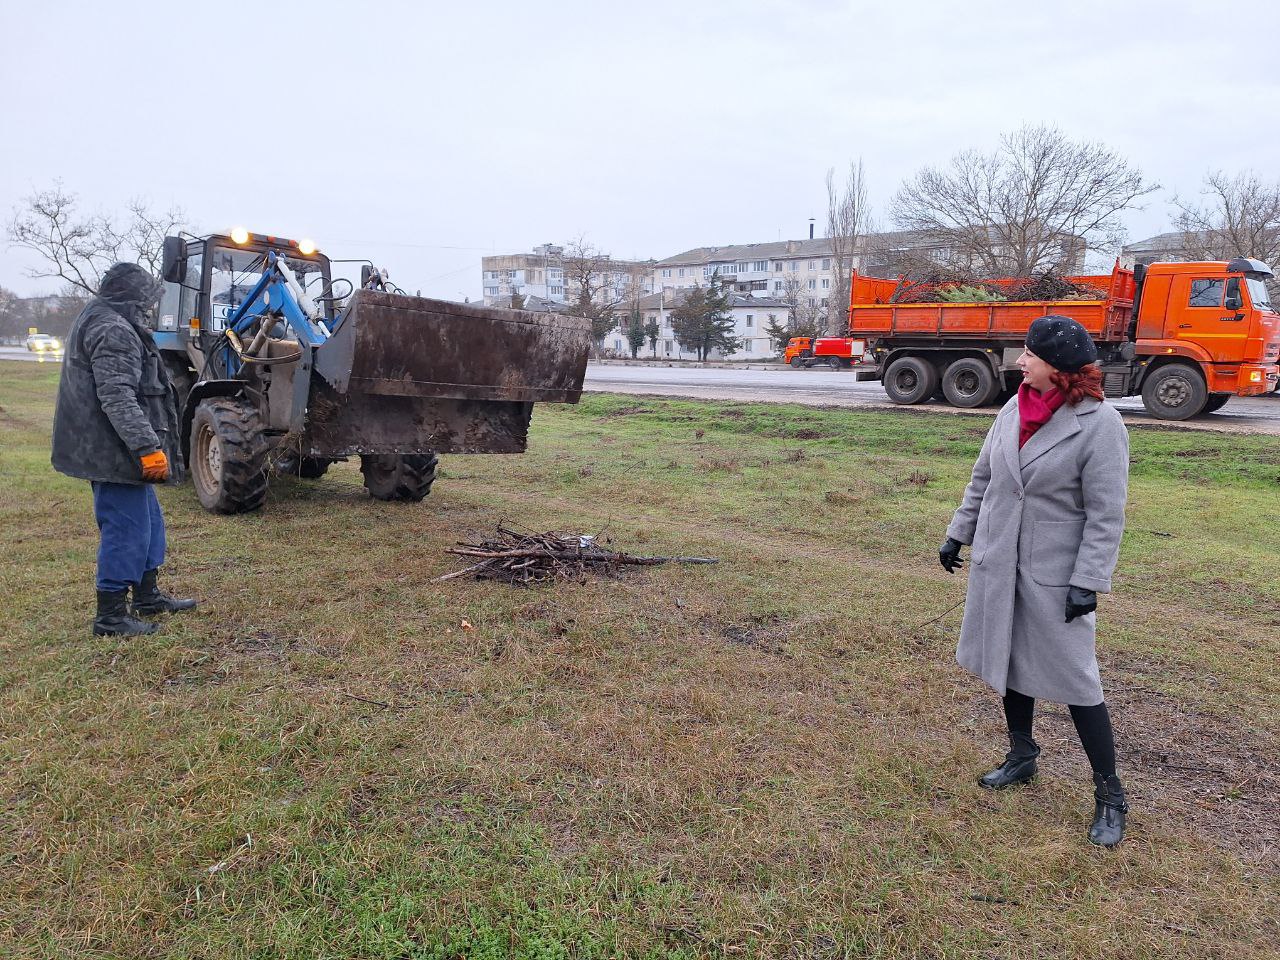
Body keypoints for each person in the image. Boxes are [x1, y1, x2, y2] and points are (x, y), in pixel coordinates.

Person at [938, 315, 1130, 847]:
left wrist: (1088, 579)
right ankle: (1022, 755)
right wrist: (959, 533)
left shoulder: (1100, 423)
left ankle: (1110, 794)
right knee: (1009, 657)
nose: (1020, 362)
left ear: (1059, 366)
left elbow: (1106, 513)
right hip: (1000, 559)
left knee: (1077, 680)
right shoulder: (1012, 406)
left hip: (1055, 572)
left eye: (1029, 354)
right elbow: (985, 477)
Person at [51, 262, 197, 637]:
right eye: (145, 299)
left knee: (149, 523)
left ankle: (147, 596)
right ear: (130, 296)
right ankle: (111, 617)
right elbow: (117, 397)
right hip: (112, 451)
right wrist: (148, 447)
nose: (149, 307)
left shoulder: (107, 318)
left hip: (117, 449)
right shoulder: (112, 328)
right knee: (126, 528)